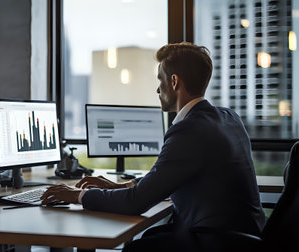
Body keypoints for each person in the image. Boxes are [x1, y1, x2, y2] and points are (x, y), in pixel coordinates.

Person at [41, 42, 266, 251]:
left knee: (138, 247)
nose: (158, 89)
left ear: (174, 81)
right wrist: (121, 186)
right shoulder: (228, 118)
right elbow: (167, 178)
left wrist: (79, 195)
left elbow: (135, 203)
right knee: (148, 238)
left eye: (160, 80)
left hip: (216, 242)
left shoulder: (189, 130)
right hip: (244, 236)